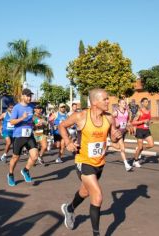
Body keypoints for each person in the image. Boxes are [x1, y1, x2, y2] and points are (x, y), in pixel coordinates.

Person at [59, 88, 122, 236]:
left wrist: (116, 136)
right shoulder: (80, 116)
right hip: (83, 161)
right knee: (98, 196)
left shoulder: (109, 118)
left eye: (108, 99)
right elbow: (61, 126)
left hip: (99, 163)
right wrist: (67, 141)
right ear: (94, 102)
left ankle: (69, 208)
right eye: (105, 99)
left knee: (85, 192)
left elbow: (112, 138)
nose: (108, 101)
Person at [7, 88, 39, 186]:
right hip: (19, 136)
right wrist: (22, 118)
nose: (30, 97)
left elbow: (31, 120)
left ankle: (25, 170)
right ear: (23, 96)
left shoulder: (31, 107)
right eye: (28, 96)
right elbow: (12, 121)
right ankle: (11, 175)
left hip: (29, 135)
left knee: (35, 156)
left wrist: (36, 123)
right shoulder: (17, 108)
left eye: (30, 96)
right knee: (15, 158)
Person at [111, 98, 133, 171]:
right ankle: (126, 165)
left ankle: (109, 144)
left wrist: (129, 125)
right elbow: (110, 118)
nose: (124, 104)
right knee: (122, 148)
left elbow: (128, 120)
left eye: (125, 103)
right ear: (119, 104)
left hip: (124, 131)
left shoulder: (127, 111)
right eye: (123, 103)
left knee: (118, 147)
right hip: (118, 131)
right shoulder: (116, 112)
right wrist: (115, 122)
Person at [132, 97, 154, 167]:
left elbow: (148, 121)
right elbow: (133, 122)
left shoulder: (149, 111)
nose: (147, 103)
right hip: (140, 131)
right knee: (140, 147)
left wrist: (150, 122)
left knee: (151, 145)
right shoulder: (139, 112)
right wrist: (143, 121)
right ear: (142, 103)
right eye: (145, 102)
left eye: (147, 102)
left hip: (147, 130)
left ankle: (139, 149)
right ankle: (135, 161)